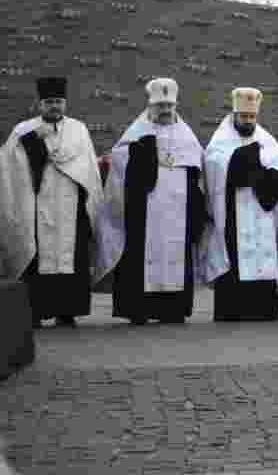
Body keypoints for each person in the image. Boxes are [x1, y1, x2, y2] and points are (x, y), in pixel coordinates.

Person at [94, 78, 207, 325]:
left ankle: (173, 309)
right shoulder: (136, 133)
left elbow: (198, 174)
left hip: (178, 212)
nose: (165, 110)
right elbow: (119, 162)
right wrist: (140, 155)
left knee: (175, 255)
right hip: (144, 211)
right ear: (150, 106)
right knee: (142, 255)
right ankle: (139, 309)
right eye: (160, 106)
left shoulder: (187, 138)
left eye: (169, 105)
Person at [0, 77, 102, 328]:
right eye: (49, 102)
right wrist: (35, 148)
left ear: (65, 103)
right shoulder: (23, 131)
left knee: (71, 258)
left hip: (70, 204)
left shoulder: (79, 130)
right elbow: (10, 169)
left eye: (58, 102)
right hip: (35, 203)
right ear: (39, 104)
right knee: (36, 258)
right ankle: (35, 311)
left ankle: (67, 311)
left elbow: (88, 168)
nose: (54, 106)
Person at [203, 87, 278, 321]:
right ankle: (232, 309)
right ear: (234, 115)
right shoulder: (220, 142)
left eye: (252, 117)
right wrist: (243, 162)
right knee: (234, 259)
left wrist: (259, 173)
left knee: (262, 254)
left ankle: (263, 308)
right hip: (233, 214)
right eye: (244, 116)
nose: (248, 121)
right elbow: (215, 167)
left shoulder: (266, 140)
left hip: (262, 213)